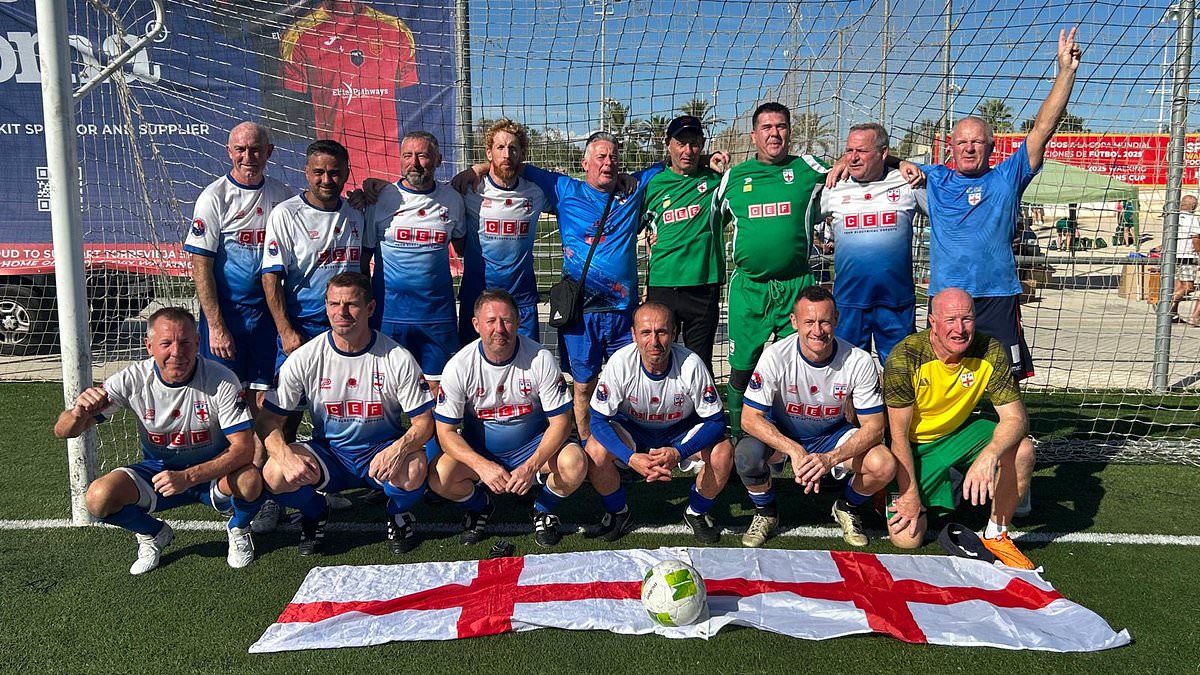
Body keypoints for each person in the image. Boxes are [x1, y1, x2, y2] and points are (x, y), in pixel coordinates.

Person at [919, 28, 1082, 382]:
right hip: (947, 297)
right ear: (951, 145)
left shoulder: (1007, 177)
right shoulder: (933, 176)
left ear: (991, 147)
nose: (968, 148)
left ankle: (1009, 437)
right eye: (962, 141)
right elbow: (874, 161)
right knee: (945, 379)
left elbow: (1043, 128)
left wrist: (1065, 72)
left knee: (1002, 382)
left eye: (977, 142)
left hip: (997, 295)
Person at [53, 308, 262, 574]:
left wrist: (188, 477)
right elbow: (64, 431)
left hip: (212, 474)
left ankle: (239, 528)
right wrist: (77, 413)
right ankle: (154, 534)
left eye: (185, 342)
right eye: (166, 343)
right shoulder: (132, 379)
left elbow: (244, 449)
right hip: (158, 474)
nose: (177, 352)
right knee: (97, 498)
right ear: (149, 346)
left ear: (198, 342)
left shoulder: (221, 380)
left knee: (250, 479)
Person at [258, 272, 435, 555]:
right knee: (274, 471)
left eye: (351, 304)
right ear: (326, 306)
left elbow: (424, 422)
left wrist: (400, 448)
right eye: (333, 304)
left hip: (380, 453)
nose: (341, 312)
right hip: (329, 455)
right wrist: (284, 455)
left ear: (370, 309)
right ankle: (316, 511)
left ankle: (397, 512)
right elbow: (268, 420)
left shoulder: (396, 357)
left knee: (414, 466)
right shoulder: (305, 357)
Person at [184, 121, 293, 534]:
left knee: (269, 406)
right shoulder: (215, 196)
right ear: (229, 152)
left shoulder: (281, 196)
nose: (247, 157)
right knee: (226, 405)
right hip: (226, 322)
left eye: (255, 149)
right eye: (240, 150)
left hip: (267, 322)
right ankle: (228, 483)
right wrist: (215, 324)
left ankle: (263, 490)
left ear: (269, 152)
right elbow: (200, 264)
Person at [521, 132, 663, 440]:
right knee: (584, 384)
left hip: (624, 312)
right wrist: (476, 170)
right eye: (601, 157)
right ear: (585, 163)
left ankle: (622, 444)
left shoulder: (633, 189)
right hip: (580, 313)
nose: (608, 163)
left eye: (613, 157)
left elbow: (671, 164)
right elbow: (517, 164)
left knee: (626, 382)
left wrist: (712, 161)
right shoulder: (563, 189)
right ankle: (587, 443)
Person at [882, 288, 1035, 569]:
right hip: (916, 447)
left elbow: (1016, 419)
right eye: (950, 320)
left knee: (1022, 449)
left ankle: (996, 534)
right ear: (933, 322)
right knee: (907, 539)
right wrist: (910, 494)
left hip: (960, 435)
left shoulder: (990, 349)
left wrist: (989, 455)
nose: (960, 329)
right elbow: (898, 437)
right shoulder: (905, 357)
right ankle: (935, 488)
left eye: (967, 319)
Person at [734, 286, 896, 548]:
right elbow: (749, 419)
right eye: (809, 322)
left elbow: (875, 428)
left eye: (824, 322)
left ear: (837, 320)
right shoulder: (775, 356)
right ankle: (766, 511)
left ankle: (846, 506)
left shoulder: (859, 360)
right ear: (794, 322)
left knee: (884, 464)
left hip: (831, 436)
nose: (817, 331)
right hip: (785, 434)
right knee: (746, 455)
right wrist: (794, 450)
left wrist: (831, 458)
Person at [429, 289, 586, 547]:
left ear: (518, 322)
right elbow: (445, 433)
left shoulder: (540, 358)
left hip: (532, 448)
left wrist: (531, 466)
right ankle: (481, 505)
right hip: (482, 452)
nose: (499, 328)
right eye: (491, 321)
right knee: (439, 477)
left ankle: (543, 508)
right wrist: (482, 466)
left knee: (575, 463)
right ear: (476, 325)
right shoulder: (458, 366)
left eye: (506, 320)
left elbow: (561, 422)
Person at [713, 102, 828, 439]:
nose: (774, 133)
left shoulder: (808, 167)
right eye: (767, 127)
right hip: (750, 289)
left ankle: (807, 434)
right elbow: (711, 219)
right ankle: (738, 435)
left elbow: (854, 165)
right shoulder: (734, 177)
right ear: (754, 135)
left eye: (780, 126)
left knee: (805, 366)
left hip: (797, 286)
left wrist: (901, 163)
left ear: (790, 131)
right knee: (741, 370)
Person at [585, 302, 734, 544]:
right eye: (646, 332)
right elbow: (599, 419)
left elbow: (716, 421)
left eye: (661, 332)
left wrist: (680, 452)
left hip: (679, 433)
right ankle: (618, 512)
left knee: (723, 451)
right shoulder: (621, 363)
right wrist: (629, 457)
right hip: (634, 432)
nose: (654, 341)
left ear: (674, 334)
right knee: (594, 450)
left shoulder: (691, 364)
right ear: (634, 335)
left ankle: (696, 512)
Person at [362, 131, 466, 387]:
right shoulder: (381, 198)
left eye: (422, 156)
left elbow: (463, 248)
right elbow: (363, 259)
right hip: (389, 315)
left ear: (438, 159)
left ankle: (433, 430)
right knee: (386, 389)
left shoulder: (452, 199)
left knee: (436, 390)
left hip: (436, 315)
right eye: (408, 156)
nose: (415, 163)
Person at [819, 122, 927, 366]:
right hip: (849, 303)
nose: (853, 158)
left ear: (884, 153)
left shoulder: (907, 182)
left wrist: (901, 163)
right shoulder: (834, 186)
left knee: (902, 374)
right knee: (847, 377)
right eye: (849, 151)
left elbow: (944, 210)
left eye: (862, 151)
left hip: (896, 302)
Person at [280, 0, 418, 188]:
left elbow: (411, 101)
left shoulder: (396, 30)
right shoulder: (299, 34)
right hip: (334, 180)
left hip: (390, 179)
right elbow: (293, 110)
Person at [262, 139, 368, 373]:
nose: (326, 180)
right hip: (302, 326)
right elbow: (270, 278)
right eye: (318, 172)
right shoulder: (286, 215)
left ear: (347, 173)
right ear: (306, 172)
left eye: (334, 173)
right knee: (286, 406)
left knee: (343, 398)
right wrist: (286, 331)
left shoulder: (358, 211)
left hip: (346, 325)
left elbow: (363, 270)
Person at [642, 115, 727, 373]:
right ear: (668, 144)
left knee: (699, 364)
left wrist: (709, 160)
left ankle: (701, 414)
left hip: (703, 286)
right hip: (662, 285)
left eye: (694, 144)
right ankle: (658, 411)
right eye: (681, 143)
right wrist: (648, 240)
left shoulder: (716, 181)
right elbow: (639, 224)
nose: (687, 150)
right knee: (656, 359)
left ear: (702, 145)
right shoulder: (652, 185)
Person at [455, 120, 547, 343]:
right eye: (500, 148)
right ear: (489, 152)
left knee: (527, 368)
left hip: (521, 300)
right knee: (474, 369)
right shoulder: (468, 191)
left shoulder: (536, 193)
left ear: (522, 154)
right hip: (478, 297)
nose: (507, 154)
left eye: (513, 148)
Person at [1171, 195, 1200, 323]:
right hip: (1188, 255)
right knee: (1188, 286)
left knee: (1179, 284)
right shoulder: (1192, 219)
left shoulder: (1173, 217)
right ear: (1193, 206)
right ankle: (1167, 305)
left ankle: (1173, 313)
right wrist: (1199, 253)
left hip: (1174, 254)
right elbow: (1195, 238)